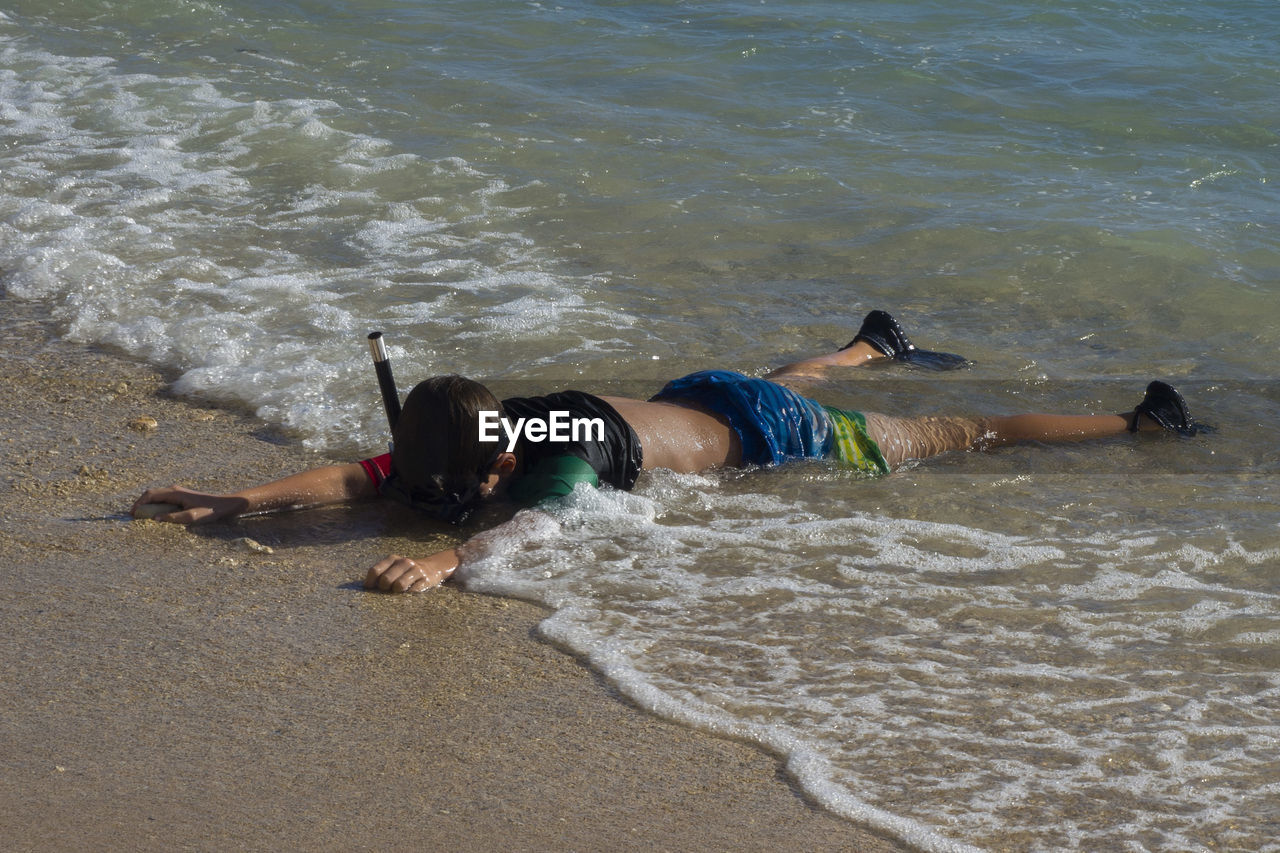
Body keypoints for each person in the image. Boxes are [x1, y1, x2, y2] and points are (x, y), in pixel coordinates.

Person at [132, 310, 1201, 593]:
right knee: (784, 373)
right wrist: (245, 497)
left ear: (497, 457)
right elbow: (368, 473)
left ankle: (1140, 418)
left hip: (764, 434)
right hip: (697, 400)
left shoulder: (549, 461)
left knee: (965, 434)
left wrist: (445, 558)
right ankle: (871, 343)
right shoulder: (483, 427)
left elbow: (529, 532)